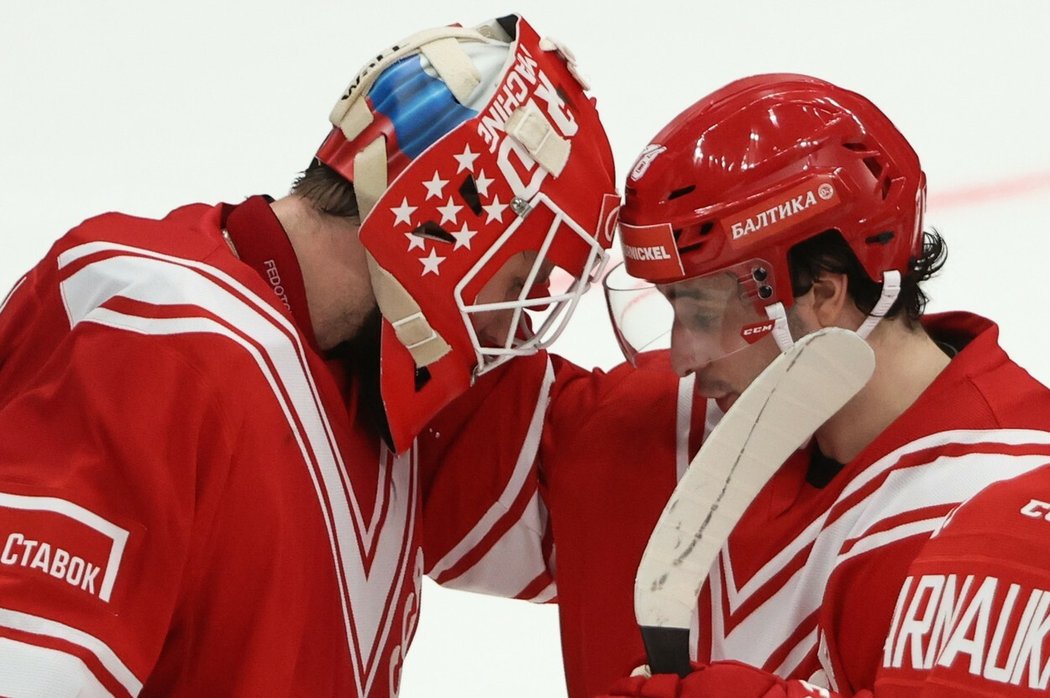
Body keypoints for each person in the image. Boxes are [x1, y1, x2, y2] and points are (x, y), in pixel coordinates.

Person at [0, 14, 618, 696]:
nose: (519, 316)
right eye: (524, 275)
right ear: (449, 223)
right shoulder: (152, 325)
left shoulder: (381, 385)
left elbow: (626, 481)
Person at [417, 73, 1050, 697]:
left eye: (702, 311)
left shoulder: (1015, 510)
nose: (680, 358)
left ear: (824, 293)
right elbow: (393, 434)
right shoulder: (646, 433)